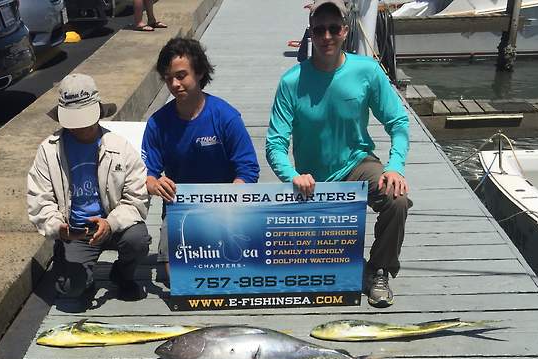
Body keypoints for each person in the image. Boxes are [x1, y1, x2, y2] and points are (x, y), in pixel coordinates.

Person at [265, 0, 410, 307]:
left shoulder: (367, 71)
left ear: (345, 31)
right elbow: (275, 144)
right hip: (313, 178)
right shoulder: (291, 81)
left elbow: (398, 122)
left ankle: (379, 269)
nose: (327, 36)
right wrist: (292, 176)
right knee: (313, 268)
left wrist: (394, 166)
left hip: (357, 162)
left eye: (333, 28)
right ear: (311, 34)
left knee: (396, 200)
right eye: (319, 30)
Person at [141, 36, 260, 284]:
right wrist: (154, 184)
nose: (174, 84)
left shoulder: (226, 116)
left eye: (181, 75)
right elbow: (146, 174)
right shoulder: (157, 123)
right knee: (177, 282)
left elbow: (248, 168)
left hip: (225, 207)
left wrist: (230, 198)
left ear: (200, 72)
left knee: (235, 271)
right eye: (168, 78)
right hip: (179, 209)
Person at [27, 73, 150, 302]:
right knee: (71, 290)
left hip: (114, 224)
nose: (81, 127)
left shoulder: (120, 146)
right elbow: (39, 200)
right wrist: (58, 228)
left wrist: (110, 223)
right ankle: (74, 267)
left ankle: (122, 275)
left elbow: (137, 198)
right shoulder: (48, 150)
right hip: (75, 232)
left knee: (138, 239)